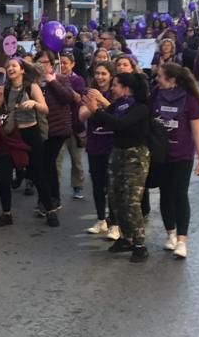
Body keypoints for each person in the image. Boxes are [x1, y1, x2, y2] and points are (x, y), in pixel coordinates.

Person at [84, 72, 152, 262]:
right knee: (115, 197)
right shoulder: (119, 105)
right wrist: (94, 110)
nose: (112, 88)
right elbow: (103, 119)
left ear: (126, 88)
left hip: (135, 156)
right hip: (117, 153)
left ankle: (140, 243)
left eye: (116, 85)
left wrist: (97, 111)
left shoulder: (140, 107)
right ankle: (125, 237)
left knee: (131, 200)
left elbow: (121, 124)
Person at [0, 57, 53, 227]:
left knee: (38, 175)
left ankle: (50, 210)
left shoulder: (32, 87)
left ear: (22, 70)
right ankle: (6, 214)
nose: (10, 68)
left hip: (31, 134)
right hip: (12, 136)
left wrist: (34, 103)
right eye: (8, 66)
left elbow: (45, 109)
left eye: (14, 66)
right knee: (3, 176)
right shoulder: (5, 89)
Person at [151, 63, 199, 260]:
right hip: (160, 155)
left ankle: (182, 241)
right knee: (165, 194)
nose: (157, 79)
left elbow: (197, 132)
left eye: (160, 76)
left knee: (180, 195)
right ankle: (171, 234)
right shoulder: (155, 94)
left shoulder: (189, 99)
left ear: (172, 79)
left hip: (182, 155)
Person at [78, 61, 119, 239]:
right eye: (98, 73)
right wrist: (91, 105)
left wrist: (102, 101)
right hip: (95, 144)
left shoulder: (116, 93)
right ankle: (101, 219)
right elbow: (81, 116)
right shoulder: (89, 92)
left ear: (111, 75)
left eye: (104, 74)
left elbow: (119, 116)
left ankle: (115, 224)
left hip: (112, 144)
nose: (100, 77)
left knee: (112, 186)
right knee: (97, 184)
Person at [35, 49, 75, 211]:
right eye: (38, 62)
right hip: (41, 129)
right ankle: (46, 198)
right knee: (43, 165)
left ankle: (52, 198)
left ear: (52, 65)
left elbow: (67, 98)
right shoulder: (35, 83)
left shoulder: (61, 79)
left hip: (58, 129)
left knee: (48, 163)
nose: (41, 66)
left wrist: (52, 81)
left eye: (45, 62)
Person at [57, 51, 88, 201]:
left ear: (72, 64)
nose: (62, 66)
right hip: (59, 124)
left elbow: (78, 98)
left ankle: (77, 185)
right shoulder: (54, 79)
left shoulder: (78, 80)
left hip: (75, 125)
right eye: (60, 63)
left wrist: (66, 87)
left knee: (76, 159)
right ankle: (54, 185)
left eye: (65, 63)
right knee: (56, 158)